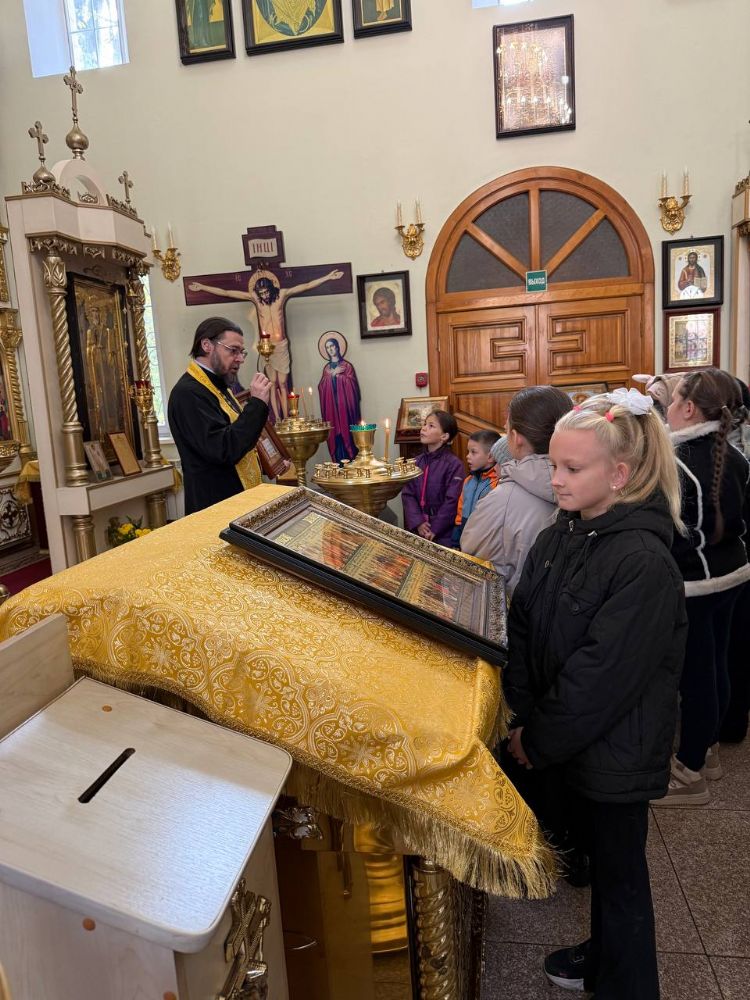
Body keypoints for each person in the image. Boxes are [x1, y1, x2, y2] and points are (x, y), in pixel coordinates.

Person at [504, 387, 687, 999]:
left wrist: (538, 738)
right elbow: (524, 621)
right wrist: (523, 711)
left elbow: (600, 676)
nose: (555, 479)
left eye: (572, 468)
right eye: (554, 464)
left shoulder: (642, 561)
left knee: (621, 879)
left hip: (616, 753)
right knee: (603, 869)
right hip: (569, 743)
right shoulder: (562, 533)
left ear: (620, 475)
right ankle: (604, 953)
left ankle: (627, 982)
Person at [653, 369, 750, 805]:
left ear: (689, 408)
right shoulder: (735, 454)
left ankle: (690, 773)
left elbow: (682, 532)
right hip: (733, 572)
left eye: (673, 400)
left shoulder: (678, 462)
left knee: (696, 678)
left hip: (697, 582)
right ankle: (707, 750)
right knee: (716, 665)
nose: (669, 408)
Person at [188, 267, 344, 421]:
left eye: (266, 292)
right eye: (261, 293)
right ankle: (278, 419)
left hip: (281, 346)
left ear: (271, 288)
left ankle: (288, 417)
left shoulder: (281, 295)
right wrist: (202, 287)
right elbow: (227, 292)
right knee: (272, 384)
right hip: (267, 348)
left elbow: (306, 285)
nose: (264, 295)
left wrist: (328, 277)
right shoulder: (256, 299)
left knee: (283, 383)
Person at [461, 386, 572, 595]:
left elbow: (471, 565)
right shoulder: (585, 486)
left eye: (506, 426)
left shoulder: (500, 503)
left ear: (516, 437)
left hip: (513, 609)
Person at [168, 317, 271, 515]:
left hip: (235, 502)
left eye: (242, 352)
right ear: (207, 345)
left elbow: (238, 437)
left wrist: (269, 462)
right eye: (233, 350)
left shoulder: (218, 387)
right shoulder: (189, 393)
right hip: (215, 507)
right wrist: (257, 404)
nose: (240, 359)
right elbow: (224, 449)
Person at [401, 410, 464, 547]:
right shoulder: (416, 462)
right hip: (418, 529)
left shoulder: (454, 465)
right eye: (424, 424)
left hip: (443, 533)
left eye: (431, 426)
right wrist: (418, 522)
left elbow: (452, 500)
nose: (423, 428)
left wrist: (435, 528)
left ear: (444, 436)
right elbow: (408, 494)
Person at [317, 332, 361, 462]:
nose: (330, 349)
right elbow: (321, 388)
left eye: (332, 346)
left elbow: (353, 387)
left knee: (348, 436)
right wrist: (331, 376)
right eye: (327, 347)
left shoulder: (347, 366)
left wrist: (340, 377)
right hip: (332, 411)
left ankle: (351, 462)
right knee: (335, 439)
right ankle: (338, 465)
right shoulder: (326, 369)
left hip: (345, 411)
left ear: (337, 347)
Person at [452, 429, 500, 547]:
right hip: (464, 536)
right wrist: (456, 538)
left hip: (485, 541)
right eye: (468, 452)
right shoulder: (468, 481)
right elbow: (460, 511)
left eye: (473, 452)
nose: (467, 456)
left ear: (490, 457)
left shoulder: (497, 484)